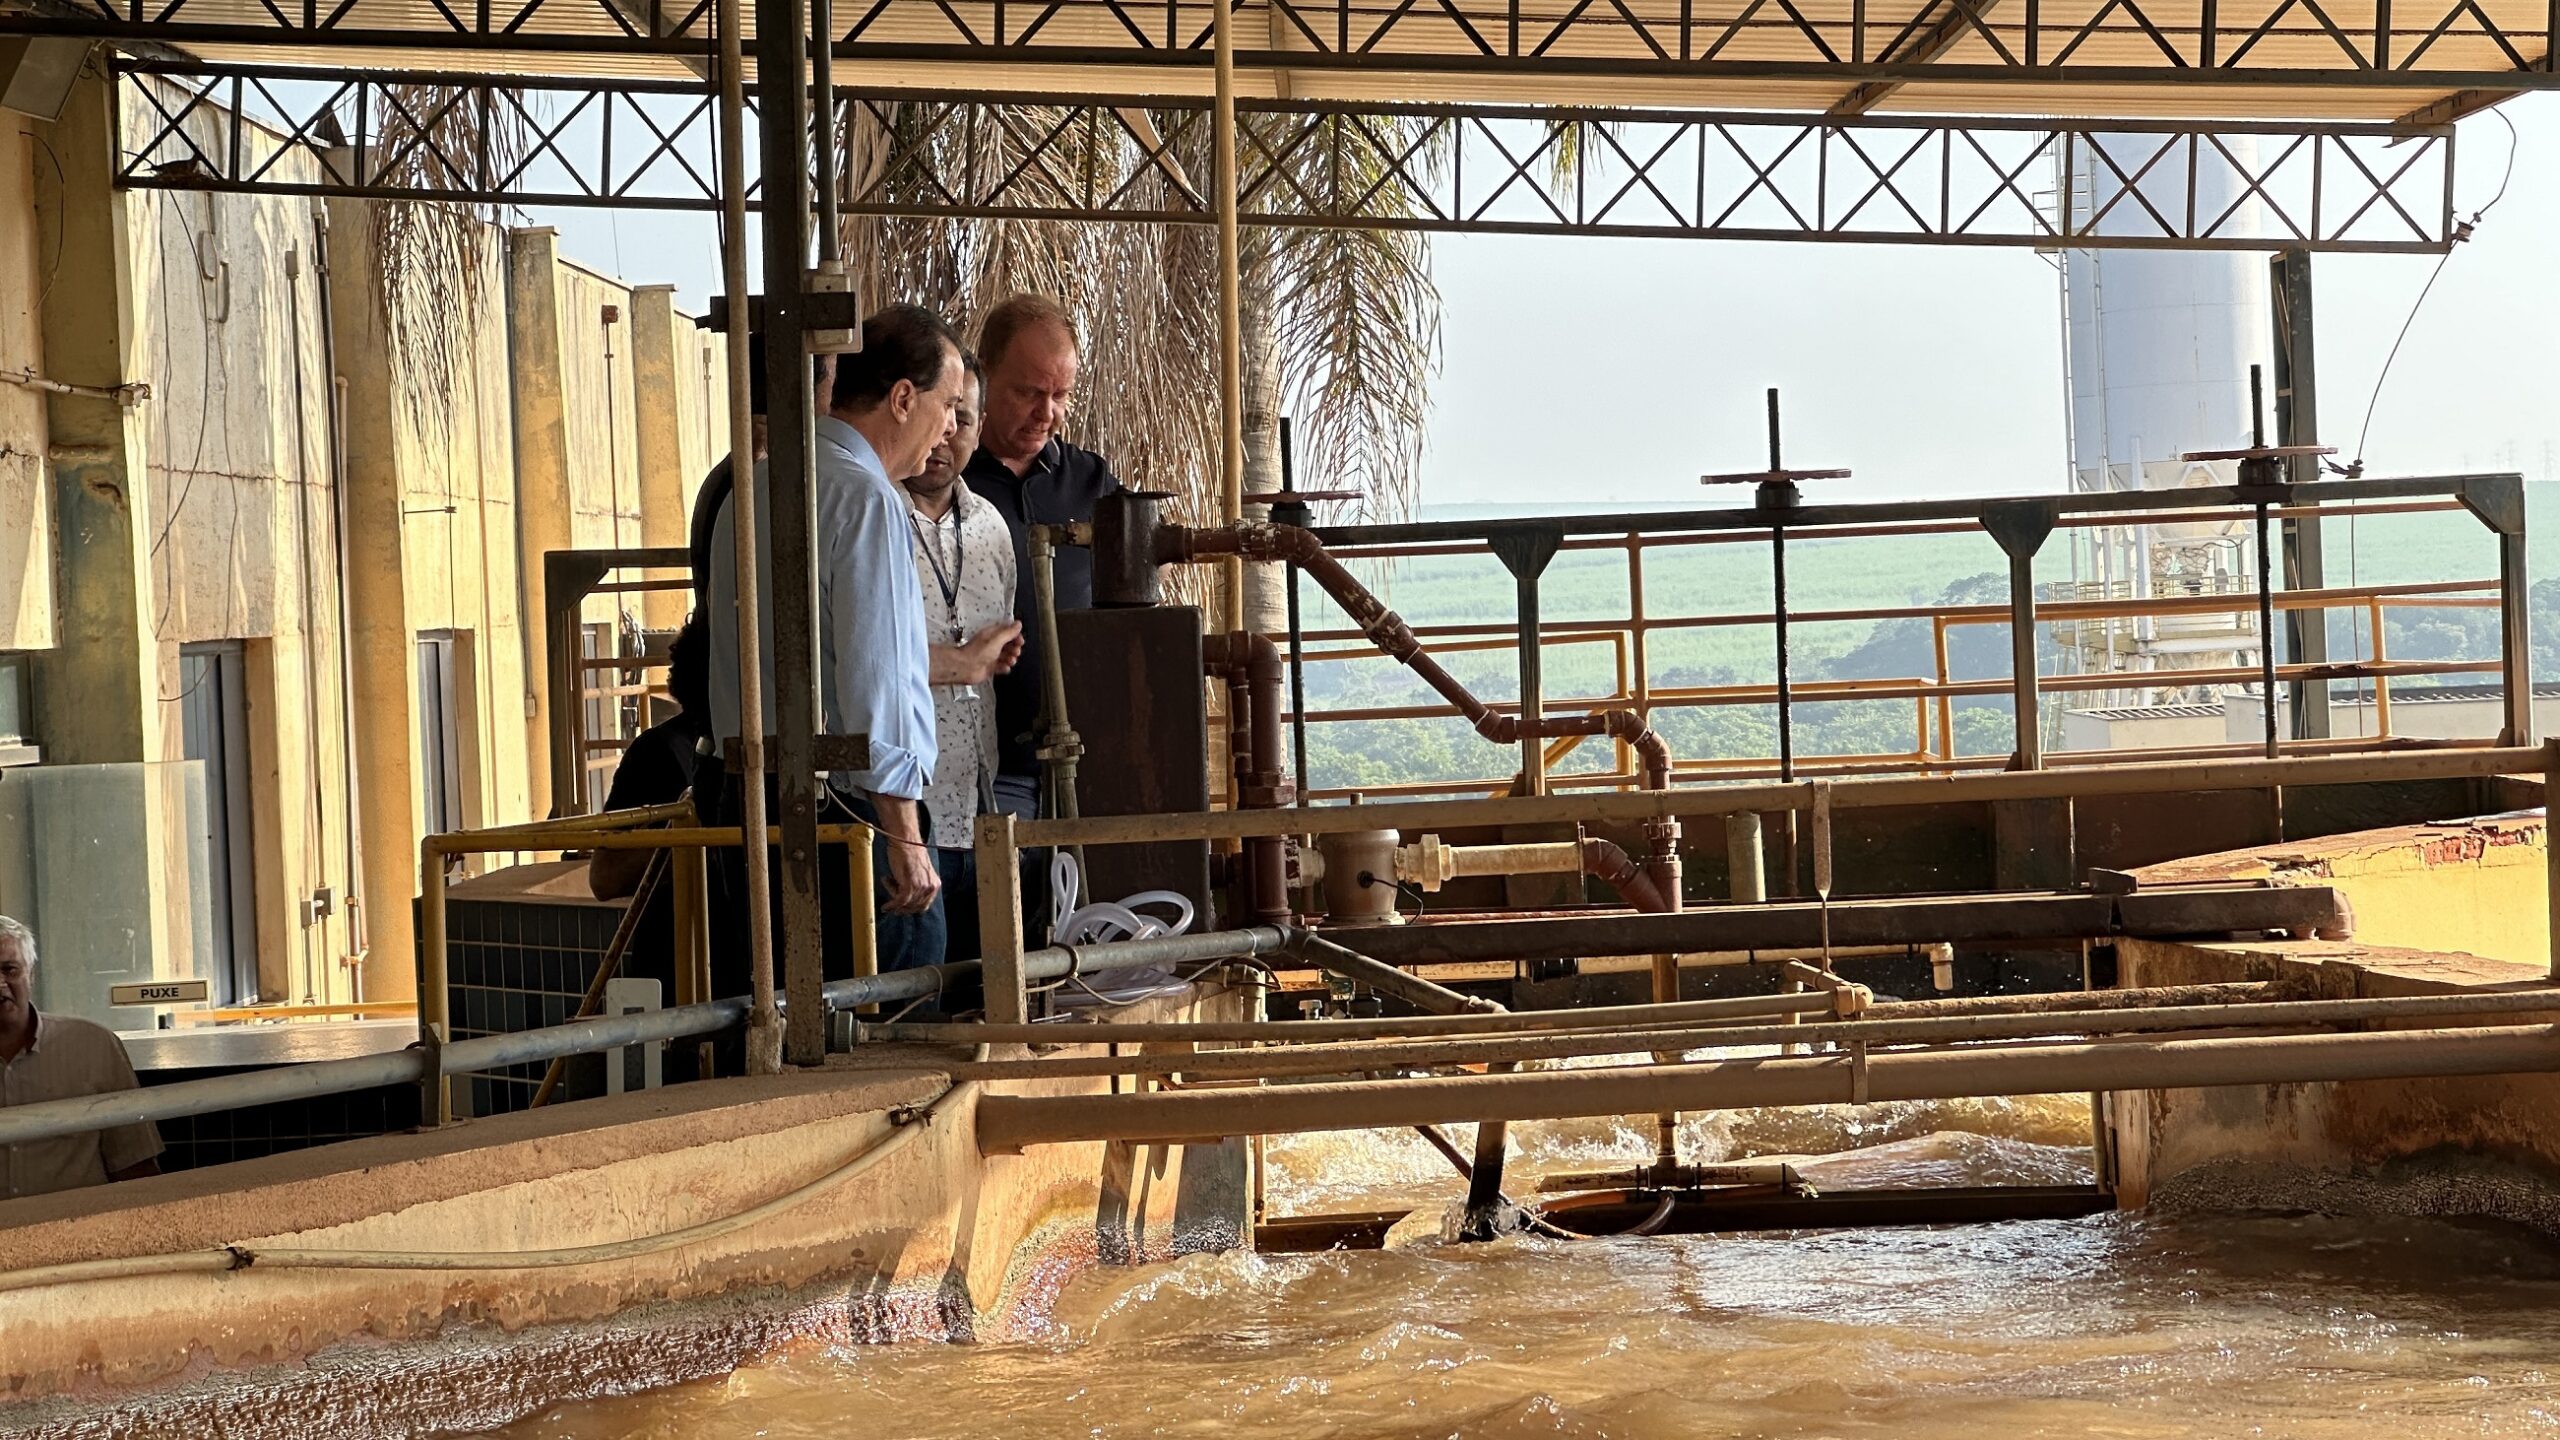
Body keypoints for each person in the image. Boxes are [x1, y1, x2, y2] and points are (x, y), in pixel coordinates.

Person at [704, 304, 962, 987]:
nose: (952, 428)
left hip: (751, 802)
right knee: (891, 1037)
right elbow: (873, 679)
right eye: (949, 405)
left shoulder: (749, 490)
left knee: (775, 1019)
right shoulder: (865, 499)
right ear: (903, 397)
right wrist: (904, 835)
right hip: (847, 817)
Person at [962, 295, 1124, 825]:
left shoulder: (1093, 483)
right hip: (978, 767)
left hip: (1088, 758)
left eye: (1060, 395)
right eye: (1030, 392)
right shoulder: (943, 479)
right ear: (983, 375)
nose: (1047, 413)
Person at [902, 357, 1023, 967]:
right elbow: (855, 662)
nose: (947, 435)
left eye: (963, 421)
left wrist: (991, 660)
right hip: (903, 809)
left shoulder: (991, 527)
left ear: (978, 432)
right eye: (942, 415)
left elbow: (987, 636)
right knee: (914, 998)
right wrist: (962, 662)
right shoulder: (878, 516)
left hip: (979, 802)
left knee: (981, 993)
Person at [0, 916, 164, 1200]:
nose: (0, 983)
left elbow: (135, 1164)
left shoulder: (93, 1046)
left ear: (32, 974)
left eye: (10, 969)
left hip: (83, 1236)